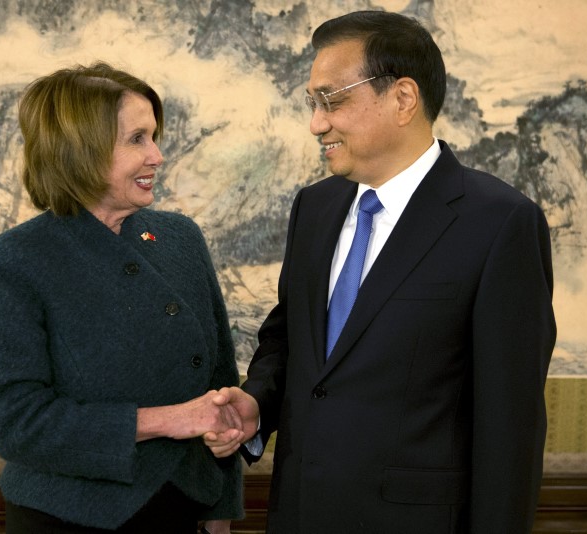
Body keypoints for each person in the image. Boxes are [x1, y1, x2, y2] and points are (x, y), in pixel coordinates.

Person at [205, 10, 556, 533]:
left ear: (403, 98)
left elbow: (509, 427)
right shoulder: (315, 208)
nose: (316, 123)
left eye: (334, 100)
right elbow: (289, 342)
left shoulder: (500, 222)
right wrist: (258, 402)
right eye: (313, 103)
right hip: (299, 514)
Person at [0, 62, 242, 534]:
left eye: (154, 136)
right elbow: (16, 424)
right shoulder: (17, 259)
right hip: (65, 518)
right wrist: (165, 421)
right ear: (80, 150)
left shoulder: (180, 238)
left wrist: (222, 507)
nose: (157, 155)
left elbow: (219, 381)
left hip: (185, 510)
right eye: (137, 139)